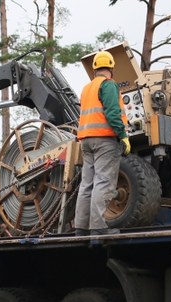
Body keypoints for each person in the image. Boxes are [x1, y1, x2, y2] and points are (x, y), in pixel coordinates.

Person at [74, 50, 131, 236]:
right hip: (104, 140)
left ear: (95, 68)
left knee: (87, 184)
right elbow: (112, 113)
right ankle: (98, 227)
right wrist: (122, 135)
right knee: (103, 182)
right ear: (111, 68)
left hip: (86, 140)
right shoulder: (108, 85)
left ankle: (81, 228)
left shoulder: (86, 88)